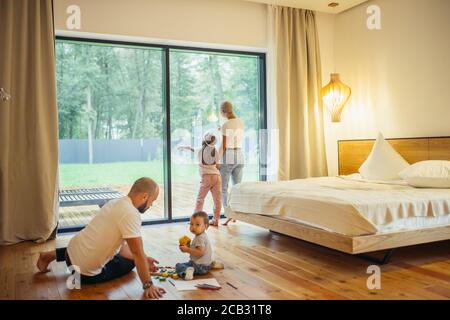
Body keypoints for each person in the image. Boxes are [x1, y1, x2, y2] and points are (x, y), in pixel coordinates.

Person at [36, 177, 166, 300]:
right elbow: (137, 254)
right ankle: (53, 258)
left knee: (99, 245)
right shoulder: (131, 214)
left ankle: (49, 255)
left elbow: (121, 248)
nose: (151, 205)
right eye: (152, 201)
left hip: (70, 252)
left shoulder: (116, 202)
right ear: (144, 196)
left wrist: (144, 259)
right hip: (83, 273)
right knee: (130, 262)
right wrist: (148, 284)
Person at [178, 133, 222, 227]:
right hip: (216, 177)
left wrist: (184, 147)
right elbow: (218, 166)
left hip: (206, 177)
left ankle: (195, 221)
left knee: (200, 199)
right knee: (217, 200)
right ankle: (215, 220)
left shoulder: (200, 150)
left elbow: (191, 148)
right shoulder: (215, 151)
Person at [218, 101, 244, 226]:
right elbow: (233, 135)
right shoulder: (240, 121)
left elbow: (223, 145)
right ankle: (235, 215)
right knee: (237, 187)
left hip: (228, 155)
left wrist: (217, 160)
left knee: (223, 188)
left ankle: (228, 214)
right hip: (239, 155)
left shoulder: (226, 124)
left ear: (223, 111)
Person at [175, 211, 214, 280]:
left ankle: (188, 272)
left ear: (206, 226)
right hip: (205, 265)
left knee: (178, 266)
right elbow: (196, 250)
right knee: (187, 264)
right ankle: (211, 264)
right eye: (191, 224)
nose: (193, 227)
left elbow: (199, 253)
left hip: (199, 266)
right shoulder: (201, 235)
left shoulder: (200, 238)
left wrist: (187, 250)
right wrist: (187, 247)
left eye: (197, 225)